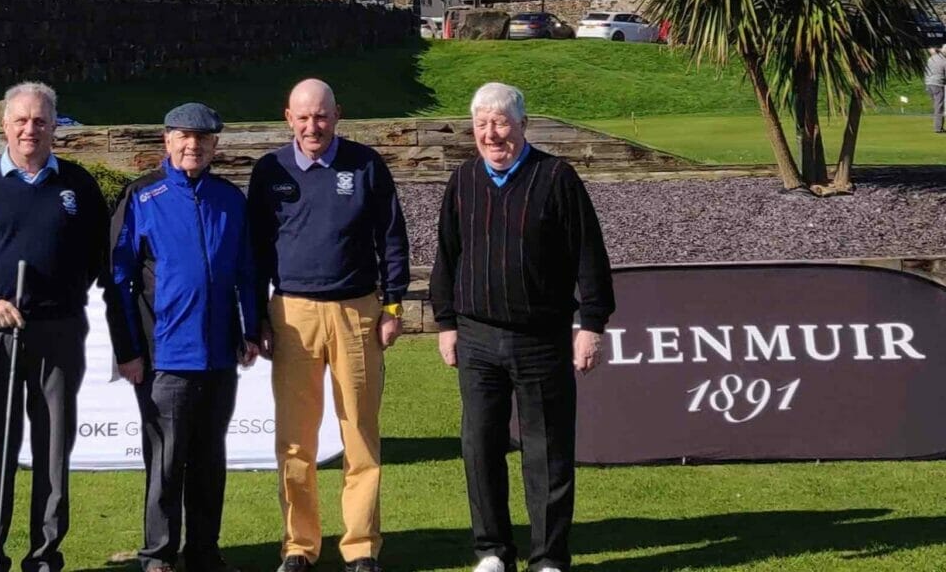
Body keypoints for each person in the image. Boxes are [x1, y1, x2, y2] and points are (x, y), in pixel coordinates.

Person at [430, 82, 616, 572]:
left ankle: (549, 556)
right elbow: (446, 258)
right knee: (479, 446)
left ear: (523, 124)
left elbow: (589, 257)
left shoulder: (556, 178)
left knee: (547, 450)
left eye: (501, 123)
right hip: (476, 338)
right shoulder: (464, 180)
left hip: (540, 338)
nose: (492, 135)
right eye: (482, 125)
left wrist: (591, 323)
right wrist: (445, 323)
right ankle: (492, 551)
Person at [0, 81, 114, 572]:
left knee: (53, 448)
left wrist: (67, 291)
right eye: (20, 120)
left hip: (58, 331)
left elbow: (100, 252)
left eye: (40, 120)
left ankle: (44, 556)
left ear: (55, 126)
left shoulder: (77, 185)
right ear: (5, 126)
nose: (30, 129)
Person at [247, 79, 409, 572]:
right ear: (287, 117)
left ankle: (361, 547)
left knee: (359, 433)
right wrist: (257, 317)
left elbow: (392, 237)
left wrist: (394, 307)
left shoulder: (365, 164)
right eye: (303, 117)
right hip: (292, 314)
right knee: (295, 440)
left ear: (337, 114)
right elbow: (254, 251)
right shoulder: (270, 170)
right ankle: (299, 546)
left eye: (321, 116)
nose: (312, 126)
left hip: (357, 311)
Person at [107, 102, 261, 572]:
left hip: (219, 356)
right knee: (167, 463)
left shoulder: (230, 199)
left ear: (215, 145)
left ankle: (203, 552)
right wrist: (129, 351)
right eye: (183, 136)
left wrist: (251, 330)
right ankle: (158, 555)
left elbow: (246, 272)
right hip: (164, 358)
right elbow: (117, 278)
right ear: (167, 141)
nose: (193, 145)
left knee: (211, 461)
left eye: (203, 138)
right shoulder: (141, 196)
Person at [926, 44, 946, 134]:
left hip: (929, 83)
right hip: (937, 84)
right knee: (939, 106)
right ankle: (938, 128)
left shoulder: (931, 59)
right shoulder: (944, 61)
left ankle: (938, 126)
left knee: (936, 105)